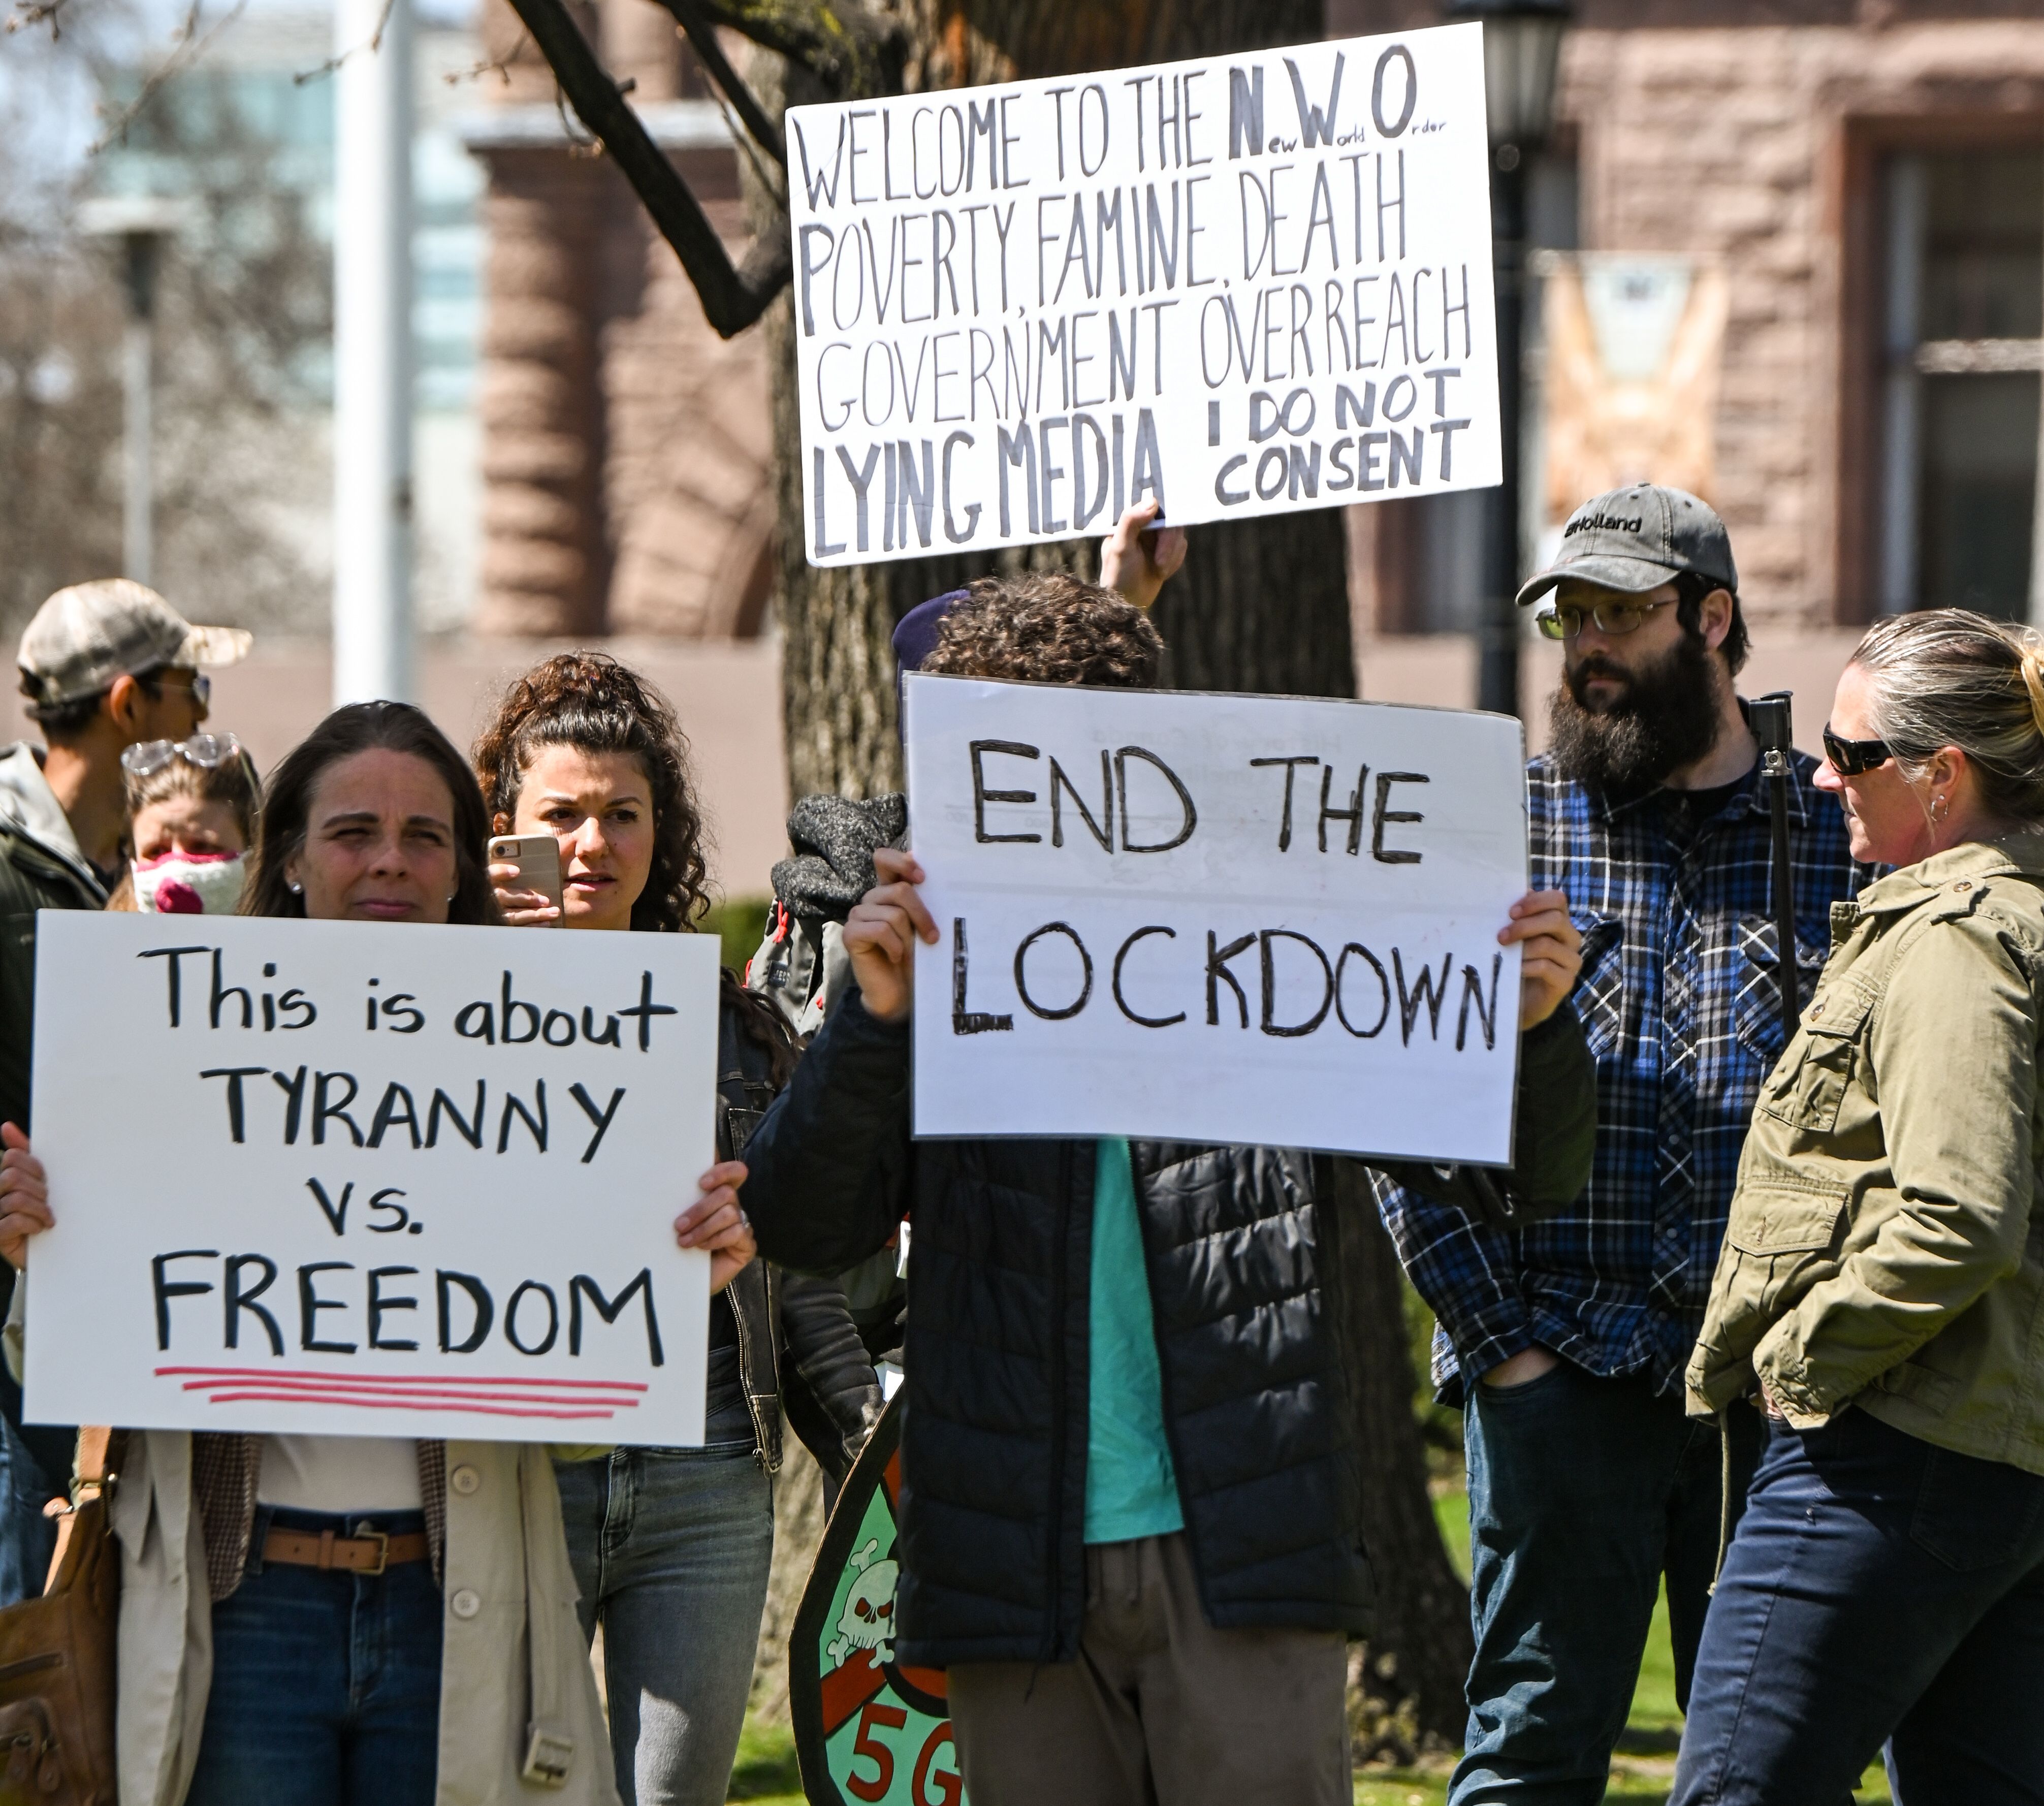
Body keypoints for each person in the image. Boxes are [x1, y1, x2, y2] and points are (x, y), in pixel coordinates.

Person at [737, 572, 1596, 1806]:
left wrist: (1526, 1035)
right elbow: (801, 1223)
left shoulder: (1274, 936)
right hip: (1010, 1567)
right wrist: (872, 1028)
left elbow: (1515, 1182)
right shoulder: (922, 957)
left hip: (1240, 1548)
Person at [0, 700, 755, 1806]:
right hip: (240, 1602)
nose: (389, 862)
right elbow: (56, 1379)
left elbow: (580, 1440)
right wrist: (37, 1254)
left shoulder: (553, 1064)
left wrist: (675, 1279)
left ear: (464, 871)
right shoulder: (162, 1043)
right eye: (354, 832)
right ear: (293, 859)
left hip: (454, 1605)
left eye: (424, 836)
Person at [1372, 483, 1869, 1804]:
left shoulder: (1835, 837)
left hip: (1773, 1402)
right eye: (1570, 616)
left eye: (1620, 614)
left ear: (1711, 619)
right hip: (1559, 1379)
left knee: (1774, 1768)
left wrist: (1840, 1350)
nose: (1586, 643)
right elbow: (1401, 1114)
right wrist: (1504, 1351)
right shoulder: (1497, 832)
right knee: (1528, 1761)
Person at [476, 653, 882, 1806]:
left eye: (622, 813)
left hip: (704, 1469)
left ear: (664, 831)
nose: (594, 842)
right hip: (518, 1470)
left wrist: (874, 1455)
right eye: (561, 814)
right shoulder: (431, 1019)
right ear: (503, 828)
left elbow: (800, 1283)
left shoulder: (736, 1032)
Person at [1674, 610, 2044, 1805]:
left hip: (1888, 1454)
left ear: (1941, 775)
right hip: (1993, 1457)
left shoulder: (1954, 942)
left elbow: (1959, 1212)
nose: (1822, 771)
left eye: (1853, 748)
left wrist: (1800, 1357)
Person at [0, 579, 248, 1604]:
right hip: (18, 1365)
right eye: (191, 685)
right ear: (126, 703)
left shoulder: (168, 876)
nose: (203, 710)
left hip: (143, 1336)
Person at [107, 731, 262, 914]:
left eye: (201, 846)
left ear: (254, 851)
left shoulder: (291, 940)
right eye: (156, 851)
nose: (176, 868)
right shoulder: (101, 941)